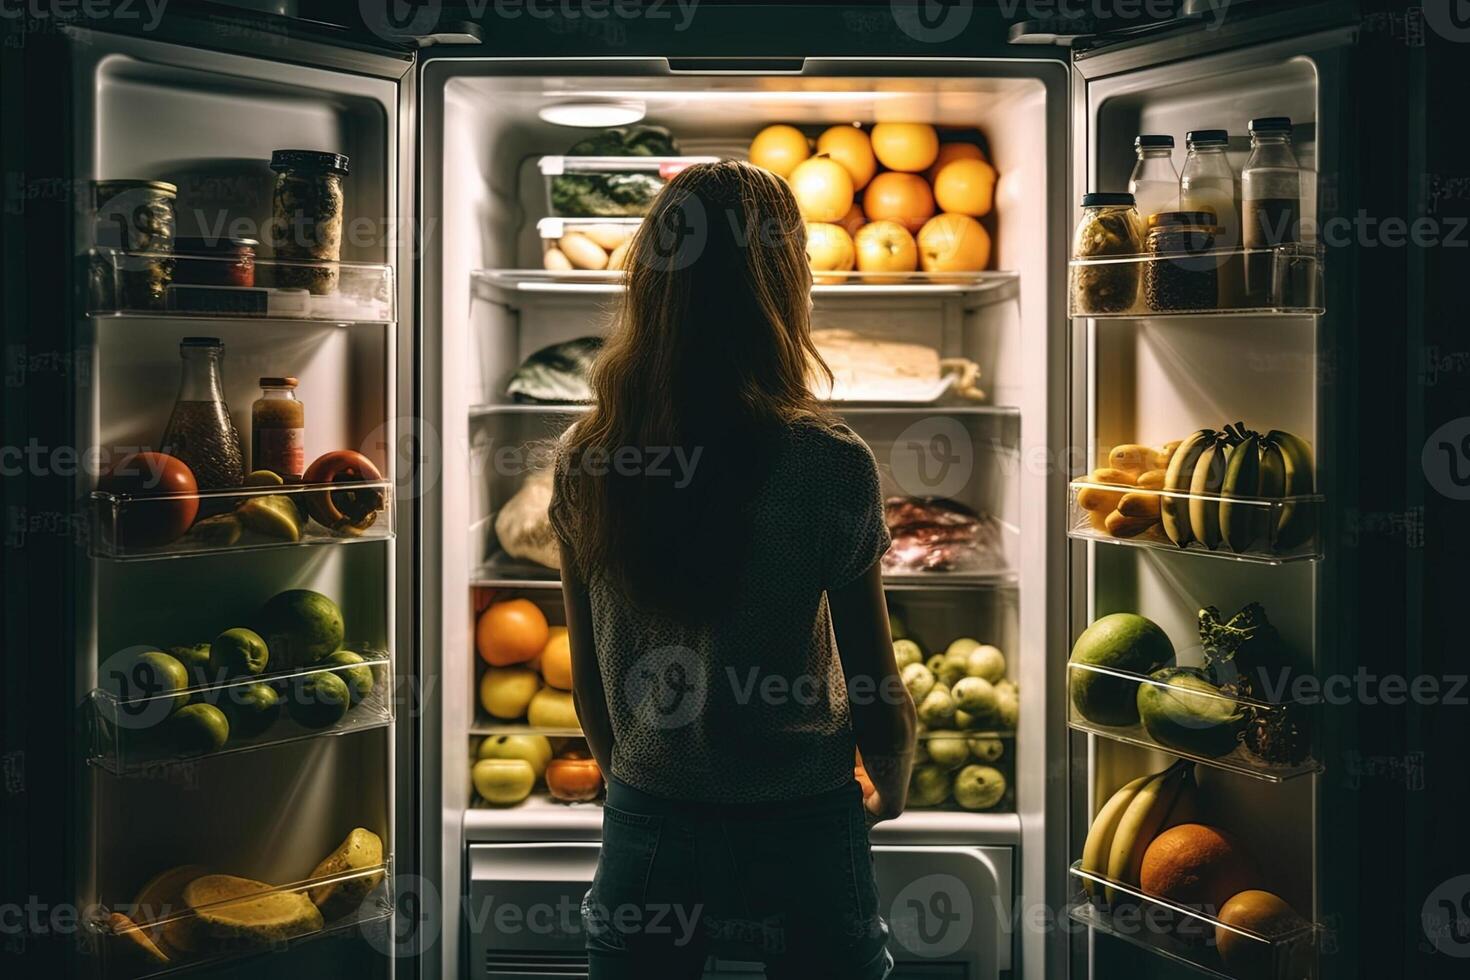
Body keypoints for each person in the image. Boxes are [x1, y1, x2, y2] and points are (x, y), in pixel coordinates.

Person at [548, 161, 916, 980]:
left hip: (650, 822)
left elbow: (587, 673)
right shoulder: (828, 462)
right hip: (802, 825)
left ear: (651, 283)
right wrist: (889, 782)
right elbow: (874, 685)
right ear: (783, 289)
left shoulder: (587, 457)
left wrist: (634, 781)